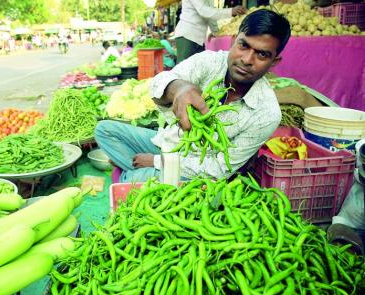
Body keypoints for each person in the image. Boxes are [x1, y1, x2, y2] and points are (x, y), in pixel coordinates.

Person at [95, 9, 291, 183]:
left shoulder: (267, 113)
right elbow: (157, 85)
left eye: (262, 55)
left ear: (275, 61)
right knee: (104, 130)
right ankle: (141, 174)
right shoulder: (210, 62)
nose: (247, 59)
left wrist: (157, 162)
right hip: (170, 143)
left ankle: (135, 174)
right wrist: (178, 88)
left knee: (130, 180)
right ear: (233, 41)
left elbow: (219, 169)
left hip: (198, 170)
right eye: (243, 45)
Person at [175, 0, 246, 63]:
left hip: (200, 39)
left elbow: (210, 16)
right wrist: (230, 11)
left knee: (197, 70)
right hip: (187, 36)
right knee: (183, 68)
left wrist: (216, 32)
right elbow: (204, 11)